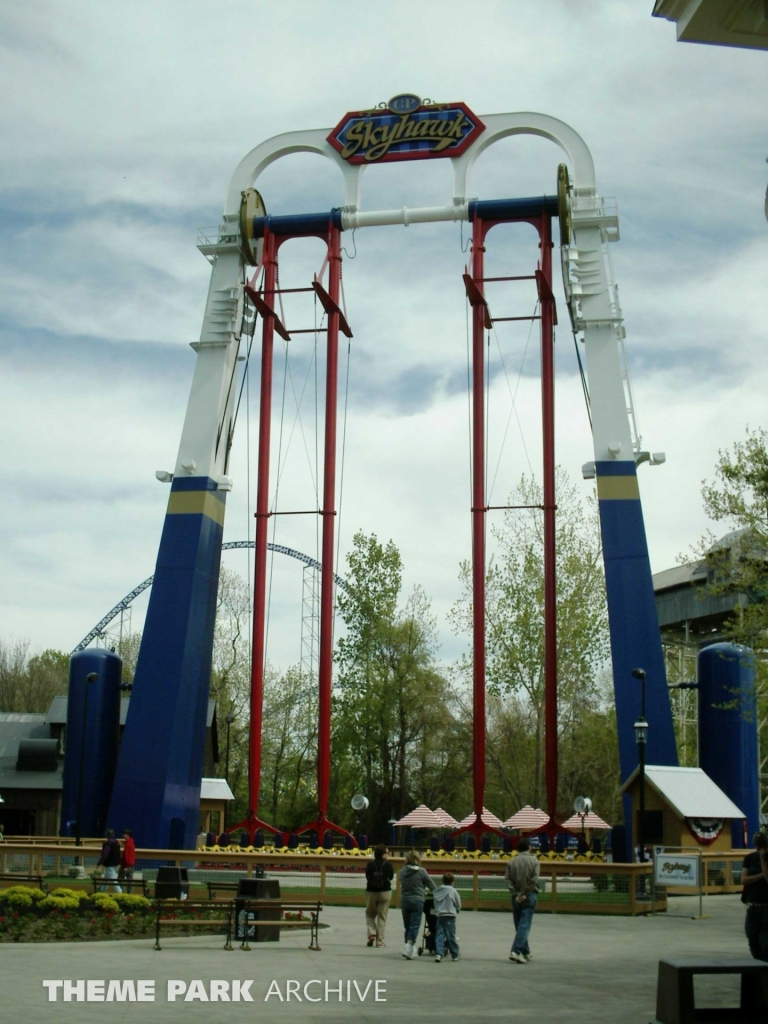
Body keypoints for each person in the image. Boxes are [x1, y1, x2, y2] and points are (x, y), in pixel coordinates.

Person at [505, 837, 540, 963]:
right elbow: (533, 880)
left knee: (519, 924)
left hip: (515, 896)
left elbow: (508, 879)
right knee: (524, 925)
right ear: (529, 847)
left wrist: (516, 893)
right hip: (529, 895)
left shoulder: (511, 862)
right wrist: (524, 893)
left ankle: (526, 952)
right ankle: (516, 950)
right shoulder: (534, 861)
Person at [398, 849, 436, 959]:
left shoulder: (402, 871)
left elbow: (405, 884)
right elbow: (432, 886)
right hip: (417, 900)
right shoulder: (421, 871)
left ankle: (411, 949)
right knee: (414, 925)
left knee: (407, 925)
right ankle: (409, 946)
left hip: (405, 900)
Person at [741, 830, 768, 962]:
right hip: (752, 904)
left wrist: (764, 859)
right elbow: (744, 879)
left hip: (766, 905)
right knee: (752, 936)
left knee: (765, 939)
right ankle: (759, 962)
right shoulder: (749, 858)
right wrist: (761, 875)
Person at [365, 844, 394, 947]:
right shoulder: (388, 865)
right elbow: (390, 877)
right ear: (383, 854)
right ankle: (380, 941)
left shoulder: (370, 864)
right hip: (385, 892)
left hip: (371, 891)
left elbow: (367, 877)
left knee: (370, 914)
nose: (388, 854)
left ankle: (372, 932)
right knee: (382, 917)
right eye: (387, 852)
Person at [432, 871, 461, 962]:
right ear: (452, 882)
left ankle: (439, 953)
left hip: (440, 915)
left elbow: (435, 902)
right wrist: (457, 910)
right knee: (450, 935)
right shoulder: (453, 891)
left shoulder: (438, 891)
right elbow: (458, 903)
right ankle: (455, 954)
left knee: (440, 934)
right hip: (450, 914)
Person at [96, 829, 122, 893]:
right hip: (115, 863)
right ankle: (102, 891)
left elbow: (105, 854)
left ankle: (120, 893)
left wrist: (99, 863)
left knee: (113, 880)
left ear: (107, 835)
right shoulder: (116, 842)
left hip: (109, 864)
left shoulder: (108, 843)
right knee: (106, 879)